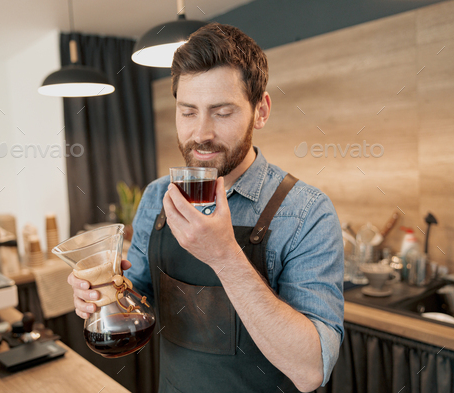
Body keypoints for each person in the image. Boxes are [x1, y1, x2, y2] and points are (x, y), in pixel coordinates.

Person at [68, 22, 344, 393]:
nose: (201, 133)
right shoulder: (156, 197)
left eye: (222, 111)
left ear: (260, 111)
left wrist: (225, 256)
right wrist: (101, 294)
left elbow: (311, 369)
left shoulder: (308, 212)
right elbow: (137, 300)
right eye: (188, 111)